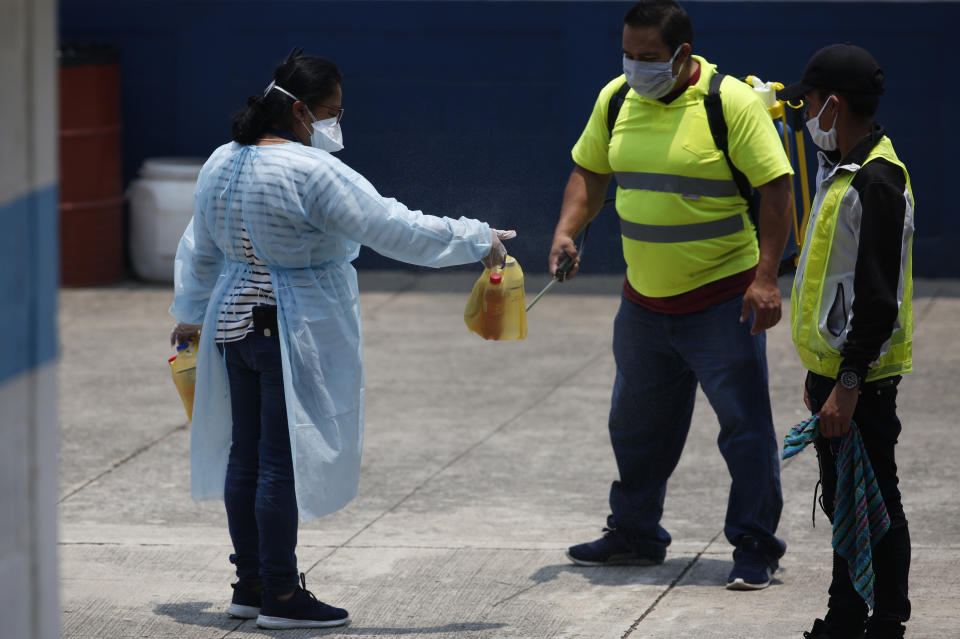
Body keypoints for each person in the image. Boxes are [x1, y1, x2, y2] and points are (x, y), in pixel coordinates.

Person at [169, 49, 513, 630]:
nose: (335, 123)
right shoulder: (312, 172)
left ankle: (250, 583)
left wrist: (188, 312)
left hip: (231, 324)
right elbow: (394, 227)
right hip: (288, 325)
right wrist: (476, 238)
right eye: (332, 111)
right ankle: (280, 595)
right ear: (301, 110)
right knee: (278, 462)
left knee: (245, 458)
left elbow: (198, 246)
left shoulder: (221, 161)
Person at [550, 0, 794, 590]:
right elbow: (590, 171)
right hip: (643, 304)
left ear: (683, 53)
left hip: (721, 302)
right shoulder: (616, 100)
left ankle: (756, 545)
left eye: (649, 58)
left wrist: (765, 278)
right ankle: (634, 534)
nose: (636, 68)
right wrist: (566, 230)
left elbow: (776, 187)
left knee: (745, 430)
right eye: (628, 56)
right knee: (634, 427)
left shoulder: (727, 103)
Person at [778, 44, 914, 639]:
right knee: (846, 505)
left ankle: (886, 623)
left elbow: (879, 299)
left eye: (807, 104)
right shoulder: (846, 170)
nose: (805, 116)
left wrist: (850, 385)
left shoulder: (877, 182)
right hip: (834, 376)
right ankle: (843, 617)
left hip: (861, 382)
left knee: (876, 506)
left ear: (832, 105)